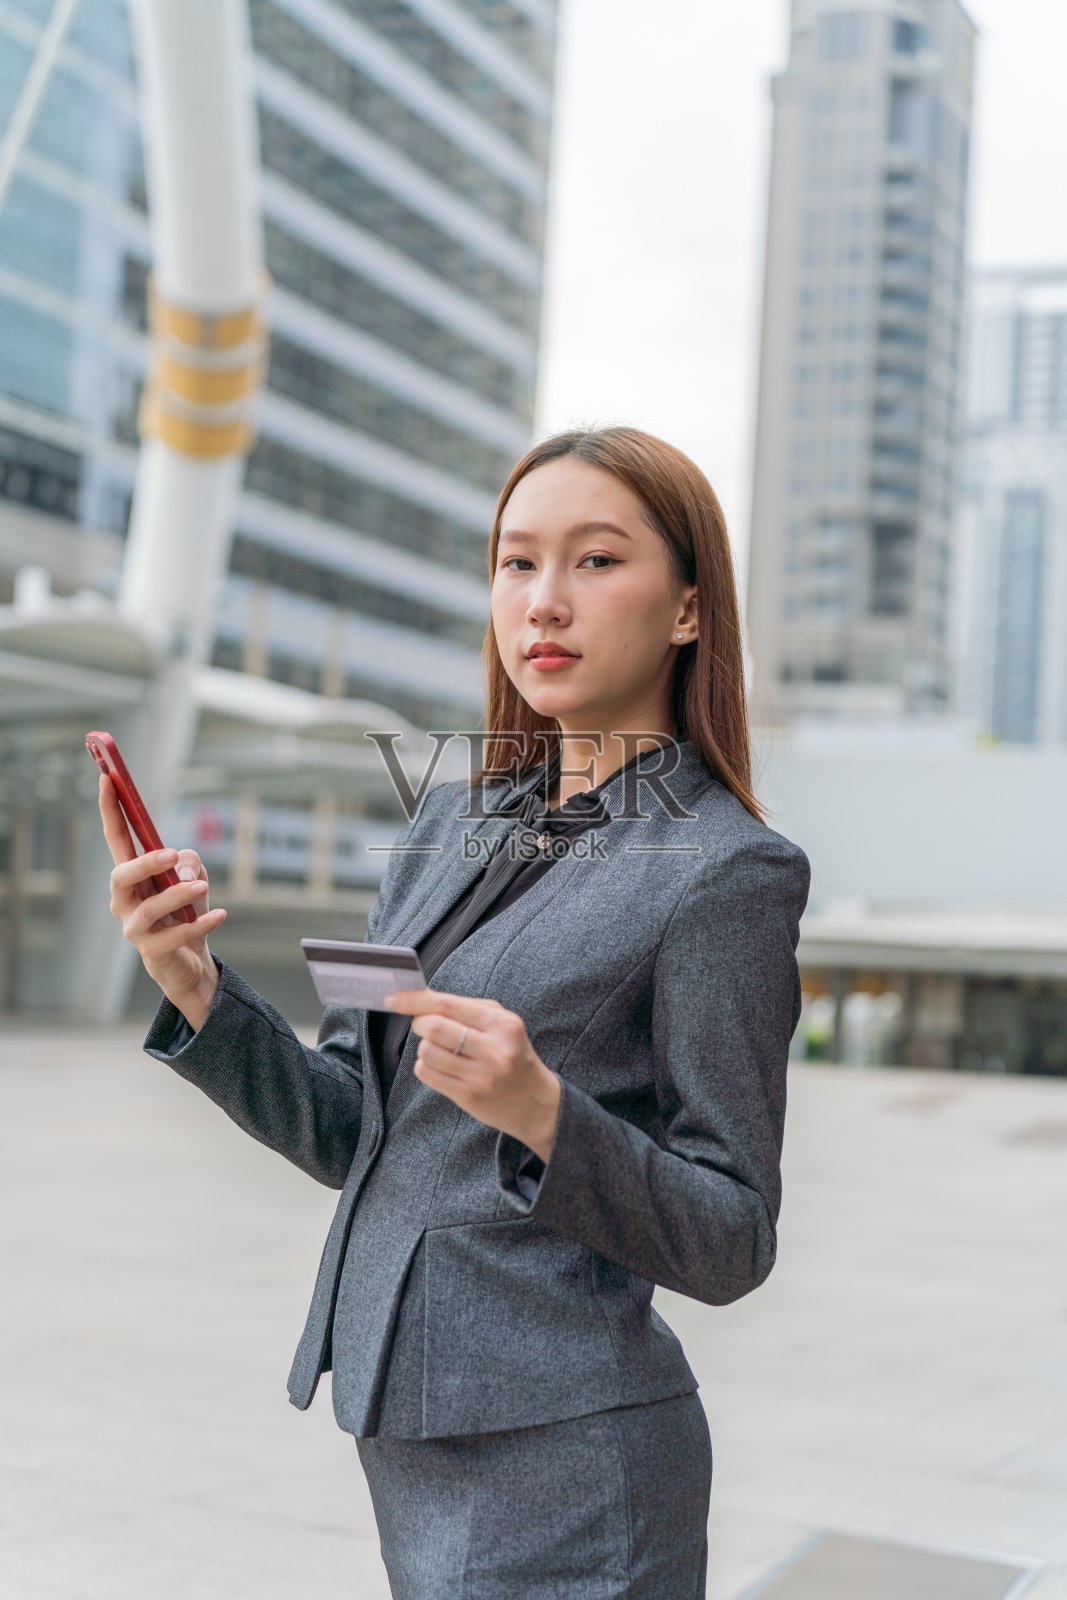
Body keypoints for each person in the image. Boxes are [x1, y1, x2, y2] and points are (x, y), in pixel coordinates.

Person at [99, 425, 811, 1598]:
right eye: (516, 561)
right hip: (414, 1436)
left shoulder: (724, 873)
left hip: (576, 1460)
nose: (544, 600)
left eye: (594, 561)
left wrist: (543, 1113)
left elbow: (731, 1238)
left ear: (687, 610)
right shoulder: (448, 827)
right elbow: (352, 1129)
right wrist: (199, 991)